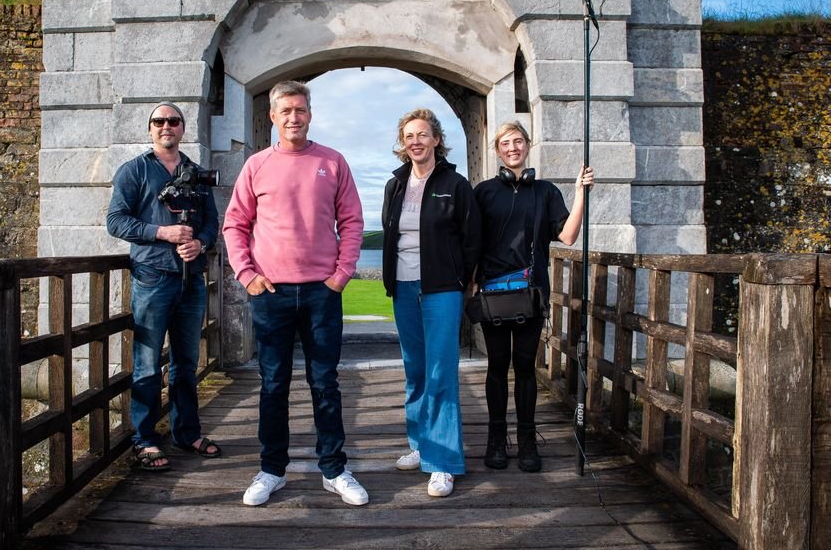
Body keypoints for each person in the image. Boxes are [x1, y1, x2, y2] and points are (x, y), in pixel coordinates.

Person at [222, 80, 369, 507]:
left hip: (323, 291)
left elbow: (353, 222)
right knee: (273, 384)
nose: (293, 117)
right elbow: (235, 225)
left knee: (325, 383)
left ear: (310, 113)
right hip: (271, 293)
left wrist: (342, 274)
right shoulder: (256, 166)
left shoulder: (333, 162)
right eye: (285, 111)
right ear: (272, 116)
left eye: (300, 110)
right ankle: (271, 470)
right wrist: (246, 274)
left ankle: (334, 469)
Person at [106, 102, 222, 471]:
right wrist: (162, 232)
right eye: (159, 121)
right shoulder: (134, 171)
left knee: (186, 362)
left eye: (173, 121)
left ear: (182, 128)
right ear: (150, 128)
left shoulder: (196, 174)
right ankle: (144, 439)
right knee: (146, 364)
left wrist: (199, 243)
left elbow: (211, 223)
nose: (166, 126)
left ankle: (186, 433)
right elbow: (116, 222)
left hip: (191, 280)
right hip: (152, 277)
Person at [473, 120, 594, 472]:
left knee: (525, 368)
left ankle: (527, 440)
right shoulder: (483, 193)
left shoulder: (546, 192)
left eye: (518, 141)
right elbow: (471, 240)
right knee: (497, 366)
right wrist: (470, 282)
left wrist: (580, 193)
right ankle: (497, 439)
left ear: (528, 145)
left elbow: (568, 237)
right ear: (497, 151)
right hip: (493, 293)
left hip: (531, 294)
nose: (512, 148)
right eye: (505, 143)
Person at [380, 108, 481, 498]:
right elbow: (391, 232)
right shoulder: (395, 185)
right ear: (402, 144)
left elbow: (472, 238)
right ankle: (421, 444)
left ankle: (442, 463)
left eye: (423, 134)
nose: (416, 141)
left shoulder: (455, 184)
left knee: (441, 371)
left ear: (437, 139)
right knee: (415, 369)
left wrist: (464, 280)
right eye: (409, 136)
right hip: (403, 286)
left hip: (442, 288)